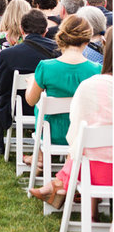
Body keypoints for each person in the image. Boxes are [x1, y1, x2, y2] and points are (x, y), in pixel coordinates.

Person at [30, 28, 113, 207]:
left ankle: (60, 185)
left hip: (96, 169)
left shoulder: (95, 84)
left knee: (82, 144)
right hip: (101, 159)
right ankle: (62, 188)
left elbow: (75, 134)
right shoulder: (94, 72)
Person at [25, 15, 101, 163]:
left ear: (62, 36)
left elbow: (31, 100)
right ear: (87, 40)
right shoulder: (96, 69)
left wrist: (31, 83)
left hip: (50, 133)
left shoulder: (46, 67)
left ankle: (40, 158)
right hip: (83, 134)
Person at [0, 9, 58, 156]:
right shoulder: (58, 51)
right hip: (49, 106)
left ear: (22, 30)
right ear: (45, 31)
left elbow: (1, 88)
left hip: (18, 106)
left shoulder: (8, 54)